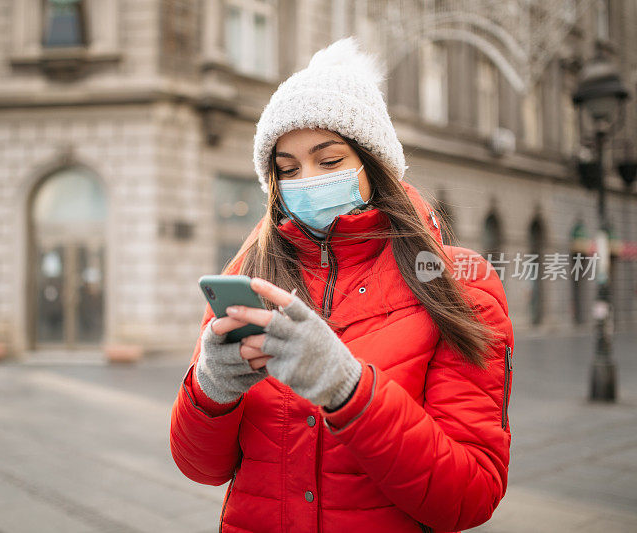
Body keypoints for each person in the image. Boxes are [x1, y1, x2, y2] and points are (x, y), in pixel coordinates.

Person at [169, 36, 514, 533]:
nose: (306, 180)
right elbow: (201, 468)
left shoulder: (460, 284)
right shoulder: (250, 275)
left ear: (373, 164)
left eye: (329, 161)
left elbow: (470, 496)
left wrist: (350, 389)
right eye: (286, 170)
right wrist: (210, 389)